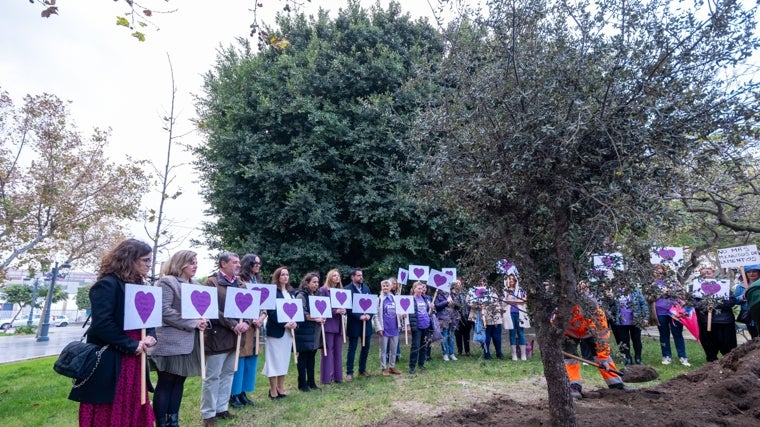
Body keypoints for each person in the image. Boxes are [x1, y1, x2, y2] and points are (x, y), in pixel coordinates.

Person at [69, 238, 157, 427]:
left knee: (134, 400)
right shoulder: (107, 285)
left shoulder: (142, 287)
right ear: (130, 259)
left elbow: (147, 319)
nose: (150, 265)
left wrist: (151, 336)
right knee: (112, 403)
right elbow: (102, 324)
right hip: (113, 357)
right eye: (146, 260)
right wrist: (131, 344)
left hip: (136, 357)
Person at [151, 250, 207, 427]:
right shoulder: (168, 282)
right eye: (191, 262)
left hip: (189, 343)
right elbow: (163, 310)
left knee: (179, 381)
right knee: (166, 382)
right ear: (180, 263)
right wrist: (192, 322)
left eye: (196, 262)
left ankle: (173, 420)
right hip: (170, 342)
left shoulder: (196, 284)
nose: (195, 265)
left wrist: (203, 320)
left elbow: (202, 309)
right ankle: (161, 422)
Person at [202, 252, 249, 427]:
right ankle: (208, 414)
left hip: (236, 338)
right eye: (234, 262)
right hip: (217, 337)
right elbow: (210, 308)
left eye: (239, 262)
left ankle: (222, 408)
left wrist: (247, 323)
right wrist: (232, 324)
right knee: (212, 376)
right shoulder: (211, 282)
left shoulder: (241, 284)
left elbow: (249, 308)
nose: (238, 265)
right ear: (223, 264)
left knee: (228, 373)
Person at [563, 296, 628, 399]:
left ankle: (616, 384)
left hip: (590, 334)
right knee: (570, 359)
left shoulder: (599, 315)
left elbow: (602, 338)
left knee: (605, 359)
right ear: (578, 308)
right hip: (568, 333)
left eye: (593, 313)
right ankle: (573, 386)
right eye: (588, 313)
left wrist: (603, 359)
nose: (591, 316)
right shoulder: (566, 310)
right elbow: (553, 325)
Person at [229, 254, 267, 408]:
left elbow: (265, 304)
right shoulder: (239, 281)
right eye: (255, 263)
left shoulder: (259, 282)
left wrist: (262, 316)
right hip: (245, 326)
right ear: (248, 263)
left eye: (259, 263)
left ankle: (244, 392)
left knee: (252, 358)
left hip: (258, 326)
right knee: (241, 359)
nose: (258, 265)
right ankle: (234, 394)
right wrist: (251, 319)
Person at [262, 267, 297, 399]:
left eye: (287, 274)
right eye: (282, 274)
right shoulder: (272, 292)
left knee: (283, 360)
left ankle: (281, 387)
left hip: (289, 332)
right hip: (276, 331)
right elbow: (271, 312)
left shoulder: (291, 292)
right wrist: (284, 324)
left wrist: (295, 323)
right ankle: (272, 390)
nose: (285, 277)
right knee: (273, 360)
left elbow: (295, 310)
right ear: (277, 277)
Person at [694, 264, 737, 362]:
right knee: (710, 350)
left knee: (729, 350)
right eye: (703, 273)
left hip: (725, 323)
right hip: (706, 323)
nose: (706, 274)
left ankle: (730, 367)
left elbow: (732, 301)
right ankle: (712, 370)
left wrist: (715, 305)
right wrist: (705, 306)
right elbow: (693, 302)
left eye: (708, 272)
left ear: (713, 273)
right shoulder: (696, 287)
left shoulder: (722, 285)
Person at [651, 264, 690, 366]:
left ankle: (683, 356)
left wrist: (672, 291)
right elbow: (649, 298)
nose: (657, 272)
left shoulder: (673, 282)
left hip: (674, 312)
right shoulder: (652, 285)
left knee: (677, 334)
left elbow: (682, 293)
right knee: (664, 335)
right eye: (655, 270)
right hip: (660, 312)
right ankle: (666, 356)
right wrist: (661, 293)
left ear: (664, 271)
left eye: (659, 270)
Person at [294, 272, 325, 391]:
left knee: (312, 356)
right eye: (314, 282)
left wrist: (323, 317)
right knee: (303, 356)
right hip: (304, 330)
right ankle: (302, 383)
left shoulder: (317, 296)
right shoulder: (301, 295)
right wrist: (316, 318)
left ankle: (311, 382)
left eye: (317, 282)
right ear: (307, 283)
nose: (316, 284)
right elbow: (302, 312)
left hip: (315, 331)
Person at [317, 268, 346, 385]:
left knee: (338, 351)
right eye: (334, 275)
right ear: (329, 277)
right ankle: (326, 378)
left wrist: (344, 310)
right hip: (328, 324)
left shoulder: (341, 291)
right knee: (327, 351)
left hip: (339, 325)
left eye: (338, 276)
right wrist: (335, 311)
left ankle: (338, 377)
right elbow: (321, 306)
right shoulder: (323, 290)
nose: (337, 277)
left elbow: (346, 306)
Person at [345, 268, 373, 380]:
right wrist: (358, 316)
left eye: (361, 275)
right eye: (358, 275)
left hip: (367, 323)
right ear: (352, 277)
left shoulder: (366, 288)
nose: (360, 277)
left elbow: (372, 303)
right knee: (352, 348)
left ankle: (362, 370)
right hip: (354, 323)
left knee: (365, 347)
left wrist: (369, 315)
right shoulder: (347, 289)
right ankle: (349, 372)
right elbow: (348, 307)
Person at [467, 277, 504, 359]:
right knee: (485, 337)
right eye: (481, 282)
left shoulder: (491, 290)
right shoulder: (473, 291)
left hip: (495, 317)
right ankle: (487, 354)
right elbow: (469, 301)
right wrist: (478, 305)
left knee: (497, 336)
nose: (483, 283)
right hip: (482, 318)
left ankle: (499, 353)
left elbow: (497, 301)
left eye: (484, 281)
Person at [613, 284, 649, 365]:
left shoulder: (635, 290)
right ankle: (628, 358)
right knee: (624, 341)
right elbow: (612, 306)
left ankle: (638, 358)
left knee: (636, 340)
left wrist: (646, 317)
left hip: (635, 319)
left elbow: (643, 303)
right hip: (621, 321)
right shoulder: (615, 291)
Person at [374, 279, 402, 375]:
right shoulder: (379, 300)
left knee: (393, 349)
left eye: (387, 286)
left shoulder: (394, 298)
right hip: (384, 329)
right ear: (381, 288)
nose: (385, 288)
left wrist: (402, 315)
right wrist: (379, 328)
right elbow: (376, 315)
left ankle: (392, 367)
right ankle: (383, 368)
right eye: (383, 286)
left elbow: (398, 311)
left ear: (391, 287)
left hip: (394, 327)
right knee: (383, 349)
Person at [407, 281, 432, 374]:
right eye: (419, 288)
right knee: (415, 346)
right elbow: (406, 313)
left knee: (423, 346)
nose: (421, 290)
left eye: (422, 288)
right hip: (416, 326)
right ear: (414, 289)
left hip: (426, 325)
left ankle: (421, 364)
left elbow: (428, 309)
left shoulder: (425, 298)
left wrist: (431, 306)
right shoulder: (410, 300)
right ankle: (412, 366)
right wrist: (408, 325)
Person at [505, 274, 527, 361]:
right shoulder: (505, 290)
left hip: (520, 313)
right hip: (510, 313)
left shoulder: (520, 290)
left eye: (513, 279)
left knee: (521, 332)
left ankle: (523, 354)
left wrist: (513, 301)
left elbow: (524, 300)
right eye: (509, 279)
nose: (511, 281)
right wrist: (517, 301)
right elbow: (505, 301)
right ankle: (514, 354)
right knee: (512, 333)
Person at [734, 264, 760, 338]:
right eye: (749, 272)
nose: (751, 274)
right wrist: (742, 297)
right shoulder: (740, 286)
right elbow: (734, 300)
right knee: (755, 338)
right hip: (749, 318)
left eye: (754, 271)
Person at [434, 287, 459, 361]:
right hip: (443, 318)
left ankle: (451, 354)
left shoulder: (453, 295)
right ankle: (445, 354)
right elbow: (437, 306)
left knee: (451, 336)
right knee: (444, 336)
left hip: (452, 318)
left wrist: (454, 302)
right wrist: (447, 302)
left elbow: (458, 306)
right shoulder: (439, 295)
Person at [451, 279, 473, 357]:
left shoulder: (466, 293)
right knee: (458, 335)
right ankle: (459, 351)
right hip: (457, 317)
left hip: (466, 316)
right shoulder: (452, 294)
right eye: (456, 283)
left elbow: (470, 303)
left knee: (467, 335)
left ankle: (467, 351)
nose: (458, 285)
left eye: (459, 283)